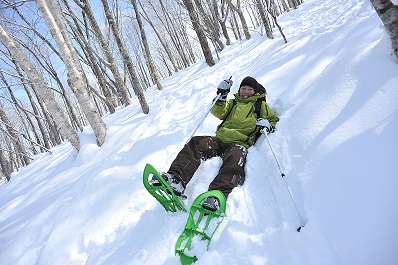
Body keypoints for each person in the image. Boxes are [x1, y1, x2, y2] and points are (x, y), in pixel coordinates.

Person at [151, 76, 279, 211]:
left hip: (239, 143)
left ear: (255, 91)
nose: (246, 92)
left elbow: (272, 119)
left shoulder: (260, 105)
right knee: (196, 143)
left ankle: (216, 196)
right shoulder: (234, 103)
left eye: (249, 89)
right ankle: (175, 179)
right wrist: (222, 96)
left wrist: (268, 125)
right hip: (220, 140)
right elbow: (218, 112)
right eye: (243, 88)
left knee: (234, 162)